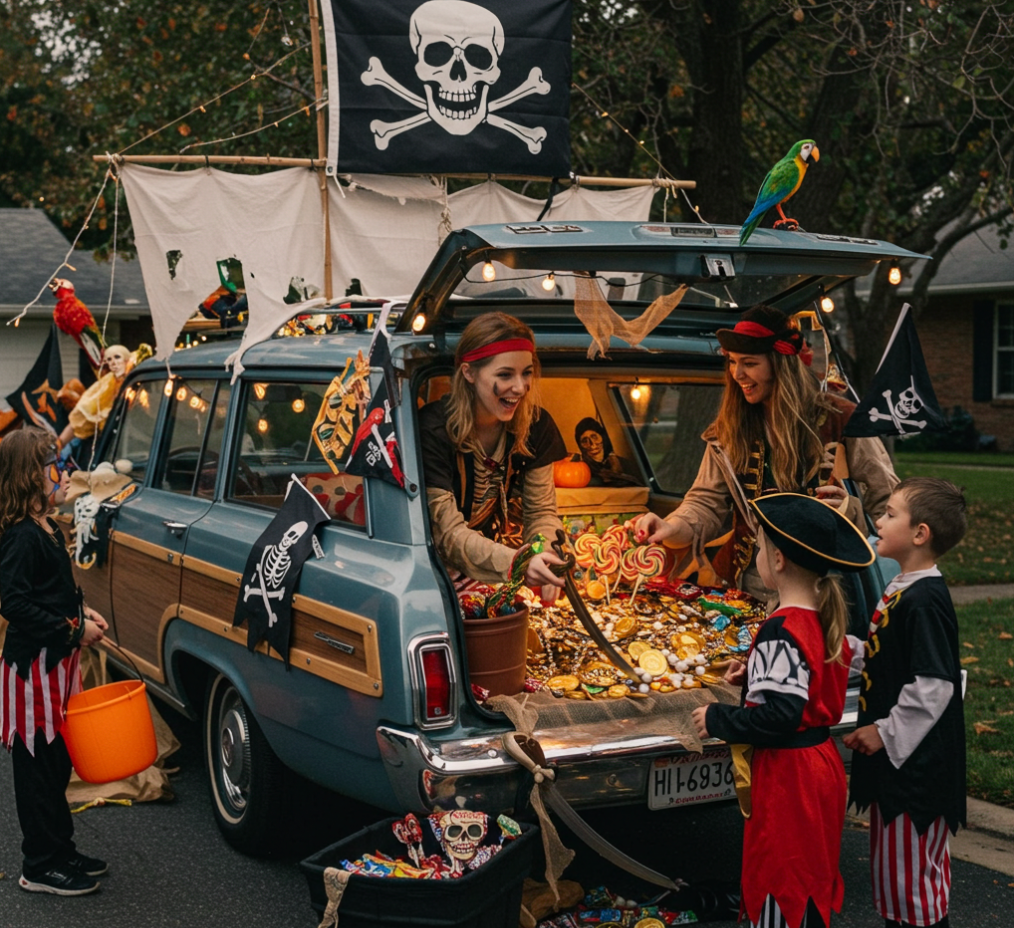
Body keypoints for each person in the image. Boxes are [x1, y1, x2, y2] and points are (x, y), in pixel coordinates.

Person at [692, 492, 875, 928]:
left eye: (758, 548)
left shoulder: (781, 629)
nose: (756, 556)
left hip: (789, 779)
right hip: (820, 767)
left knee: (783, 875)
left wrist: (717, 719)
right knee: (809, 873)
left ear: (777, 560)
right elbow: (807, 683)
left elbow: (781, 716)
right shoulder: (822, 619)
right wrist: (753, 676)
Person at [633, 304, 897, 600]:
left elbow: (887, 503)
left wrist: (849, 511)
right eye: (732, 362)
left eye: (749, 363)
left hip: (828, 586)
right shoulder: (729, 429)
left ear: (780, 363)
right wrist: (670, 526)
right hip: (751, 584)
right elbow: (705, 502)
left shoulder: (842, 420)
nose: (737, 374)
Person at [844, 478, 967, 928]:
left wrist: (884, 731)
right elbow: (892, 654)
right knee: (898, 882)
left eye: (890, 514)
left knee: (912, 887)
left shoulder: (924, 600)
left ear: (920, 533)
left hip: (917, 777)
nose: (878, 520)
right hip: (899, 771)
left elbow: (935, 684)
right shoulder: (904, 586)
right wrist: (845, 650)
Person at [0, 428, 110, 896]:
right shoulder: (21, 537)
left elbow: (53, 592)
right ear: (31, 477)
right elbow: (14, 603)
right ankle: (40, 865)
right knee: (38, 773)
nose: (65, 473)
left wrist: (83, 612)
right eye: (55, 466)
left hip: (57, 670)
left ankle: (60, 849)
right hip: (31, 675)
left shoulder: (47, 527)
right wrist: (72, 631)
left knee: (57, 765)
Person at [419, 312, 567, 602]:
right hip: (434, 575)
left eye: (526, 373)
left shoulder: (536, 425)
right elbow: (448, 536)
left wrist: (545, 552)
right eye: (505, 375)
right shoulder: (434, 430)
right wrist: (517, 563)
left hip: (499, 565)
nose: (520, 387)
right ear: (469, 373)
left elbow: (540, 513)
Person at [573, 417, 640, 486]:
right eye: (585, 441)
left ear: (603, 437)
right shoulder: (580, 468)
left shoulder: (622, 462)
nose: (592, 445)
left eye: (594, 437)